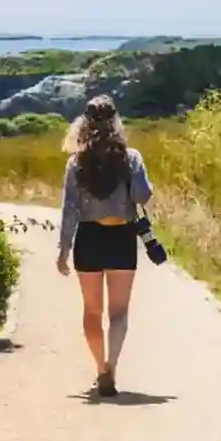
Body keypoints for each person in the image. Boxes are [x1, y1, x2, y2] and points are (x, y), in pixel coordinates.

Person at [56, 95, 153, 397]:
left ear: (85, 123)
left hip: (89, 239)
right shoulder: (132, 157)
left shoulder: (76, 161)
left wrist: (63, 250)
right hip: (121, 237)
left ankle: (100, 369)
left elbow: (70, 209)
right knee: (119, 313)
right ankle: (112, 366)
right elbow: (142, 196)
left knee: (91, 312)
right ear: (115, 121)